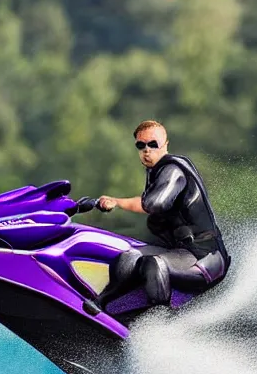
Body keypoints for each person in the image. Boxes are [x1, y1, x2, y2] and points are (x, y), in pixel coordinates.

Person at [83, 120, 230, 316]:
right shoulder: (155, 172)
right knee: (129, 256)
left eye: (153, 144)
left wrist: (117, 202)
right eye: (141, 145)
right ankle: (103, 303)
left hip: (205, 258)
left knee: (153, 264)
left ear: (165, 144)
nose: (146, 150)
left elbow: (155, 204)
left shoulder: (174, 170)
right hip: (179, 252)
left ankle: (159, 322)